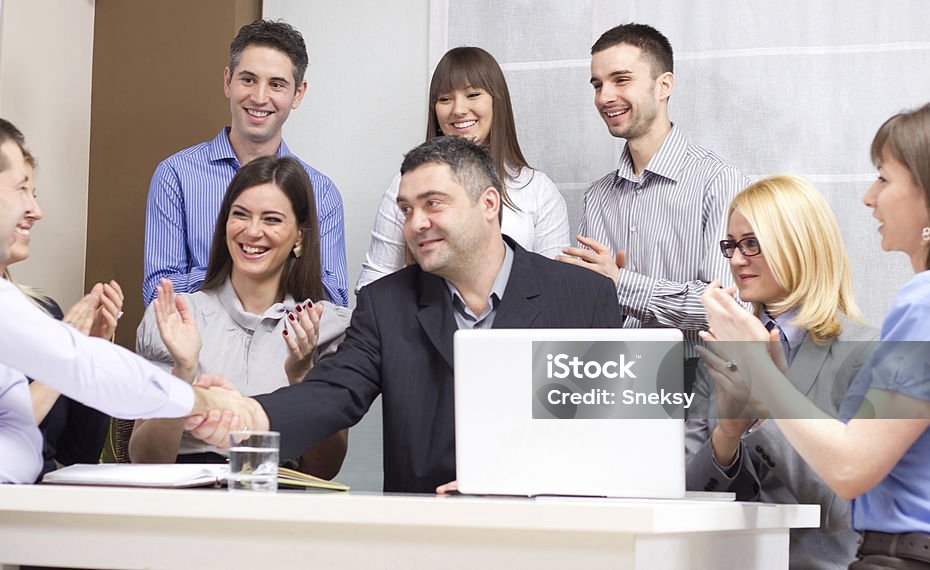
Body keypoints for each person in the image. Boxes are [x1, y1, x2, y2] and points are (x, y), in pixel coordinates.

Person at [185, 136, 621, 493]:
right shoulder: (384, 304)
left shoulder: (584, 297)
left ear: (489, 204)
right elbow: (332, 392)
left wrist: (513, 482)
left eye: (433, 204)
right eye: (407, 210)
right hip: (424, 539)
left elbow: (612, 440)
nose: (415, 224)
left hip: (551, 536)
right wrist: (246, 415)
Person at [0, 106, 261, 483]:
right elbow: (74, 362)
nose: (34, 209)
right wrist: (204, 402)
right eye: (20, 189)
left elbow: (22, 450)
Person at [701, 102, 930, 570]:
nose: (869, 197)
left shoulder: (928, 302)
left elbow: (849, 471)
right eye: (733, 245)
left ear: (929, 193)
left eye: (884, 177)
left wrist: (757, 372)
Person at [685, 175, 879, 569]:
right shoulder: (724, 348)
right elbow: (686, 492)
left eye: (751, 243)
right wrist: (727, 435)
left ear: (799, 246)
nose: (737, 259)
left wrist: (765, 415)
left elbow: (848, 508)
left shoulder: (867, 354)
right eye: (731, 245)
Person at [130, 156, 350, 479]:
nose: (252, 231)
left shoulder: (326, 326)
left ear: (299, 237)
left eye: (272, 220)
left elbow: (325, 470)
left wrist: (303, 377)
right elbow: (145, 460)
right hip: (183, 502)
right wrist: (183, 372)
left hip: (278, 504)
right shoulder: (177, 315)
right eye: (240, 215)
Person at [559, 23, 749, 386]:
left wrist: (619, 282)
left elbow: (726, 308)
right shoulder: (597, 197)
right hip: (615, 378)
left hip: (698, 379)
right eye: (597, 84)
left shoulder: (719, 182)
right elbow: (592, 314)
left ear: (664, 86)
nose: (604, 97)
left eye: (620, 80)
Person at [144, 18, 347, 307]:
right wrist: (249, 266)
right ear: (228, 81)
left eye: (276, 84)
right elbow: (157, 294)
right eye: (248, 79)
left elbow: (335, 300)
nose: (259, 97)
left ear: (297, 94)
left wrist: (252, 269)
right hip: (198, 346)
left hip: (286, 347)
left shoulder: (321, 192)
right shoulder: (176, 175)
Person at [357, 46, 569, 289]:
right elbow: (374, 282)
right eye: (445, 99)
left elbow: (554, 289)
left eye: (472, 95)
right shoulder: (406, 185)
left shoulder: (538, 190)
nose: (458, 110)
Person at [0, 150, 121, 479]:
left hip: (39, 510)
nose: (37, 212)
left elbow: (80, 451)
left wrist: (93, 350)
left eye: (34, 195)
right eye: (21, 193)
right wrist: (63, 361)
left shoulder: (46, 313)